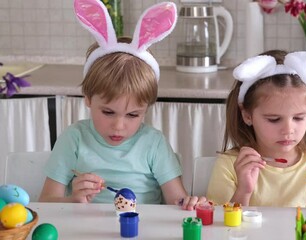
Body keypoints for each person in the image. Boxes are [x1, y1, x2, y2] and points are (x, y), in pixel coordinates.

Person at [39, 0, 204, 210]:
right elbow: (45, 203)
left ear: (147, 108)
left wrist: (190, 202)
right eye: (108, 112)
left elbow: (178, 202)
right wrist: (73, 201)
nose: (118, 125)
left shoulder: (154, 144)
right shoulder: (74, 139)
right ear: (88, 98)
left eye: (133, 115)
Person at [207, 50, 306, 208]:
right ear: (247, 115)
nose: (288, 130)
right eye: (274, 119)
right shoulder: (229, 165)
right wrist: (244, 191)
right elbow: (218, 228)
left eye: (298, 118)